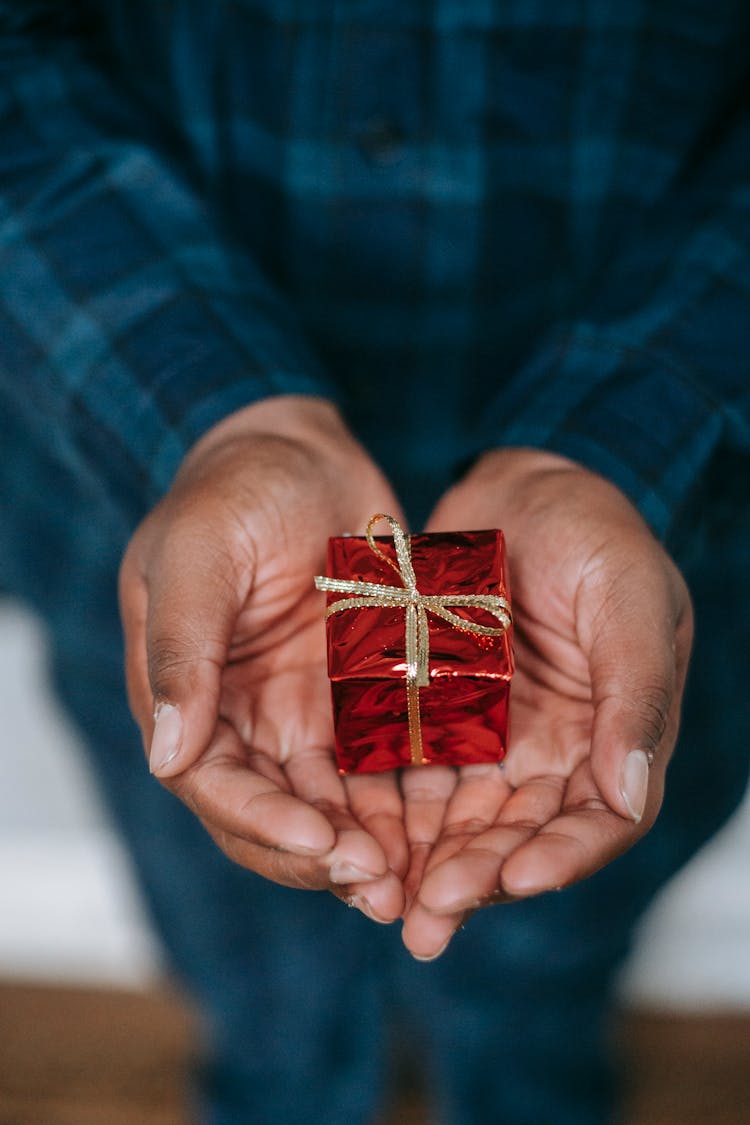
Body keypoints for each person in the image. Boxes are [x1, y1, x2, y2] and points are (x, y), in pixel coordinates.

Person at [1, 2, 749, 1122]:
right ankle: (280, 1081)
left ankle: (526, 1078)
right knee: (237, 929)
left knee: (553, 928)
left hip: (655, 561)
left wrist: (630, 428)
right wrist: (222, 422)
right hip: (158, 525)